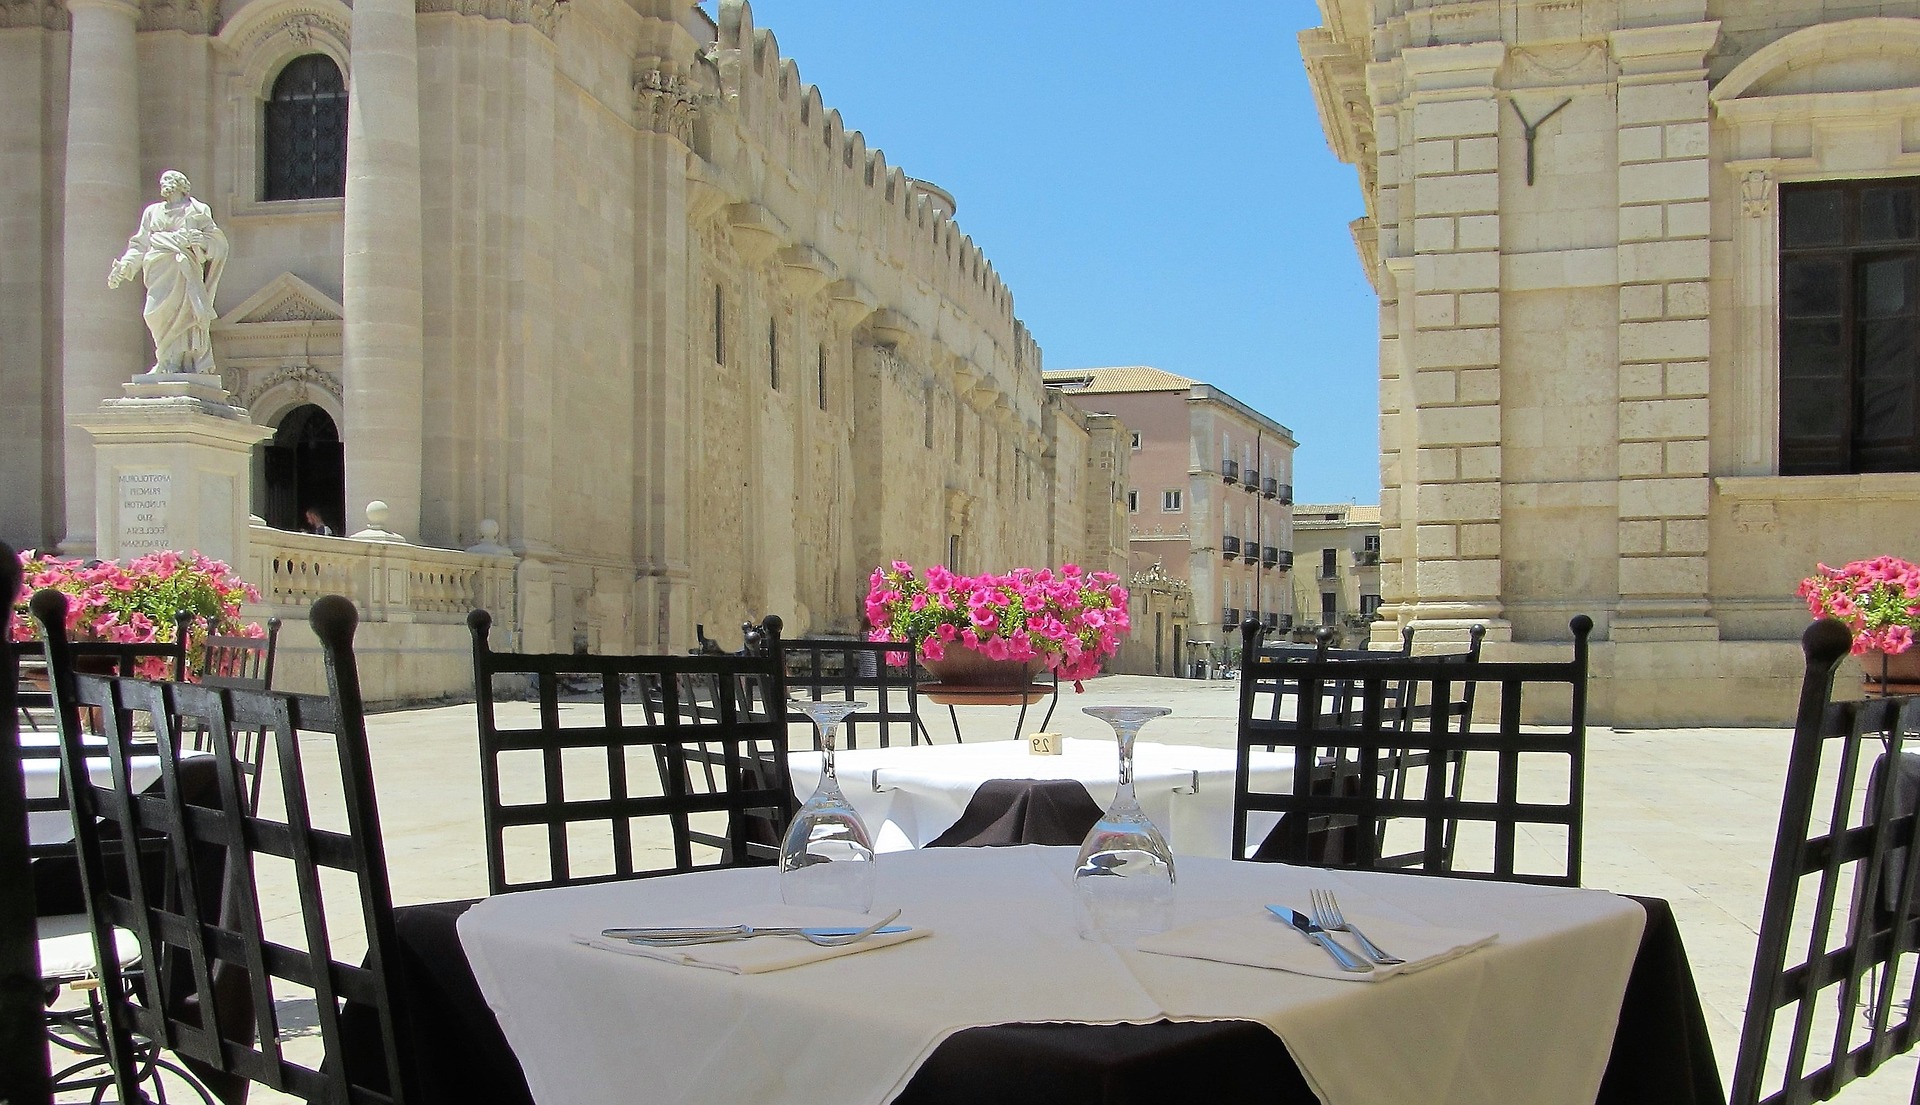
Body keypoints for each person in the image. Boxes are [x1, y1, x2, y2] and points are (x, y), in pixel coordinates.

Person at [108, 170, 229, 376]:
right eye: (163, 180)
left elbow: (217, 241)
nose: (164, 183)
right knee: (153, 313)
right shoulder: (152, 211)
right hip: (157, 268)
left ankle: (172, 361)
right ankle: (165, 357)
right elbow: (140, 243)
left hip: (183, 270)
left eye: (169, 180)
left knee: (183, 316)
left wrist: (203, 242)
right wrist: (126, 265)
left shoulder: (197, 209)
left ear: (182, 185)